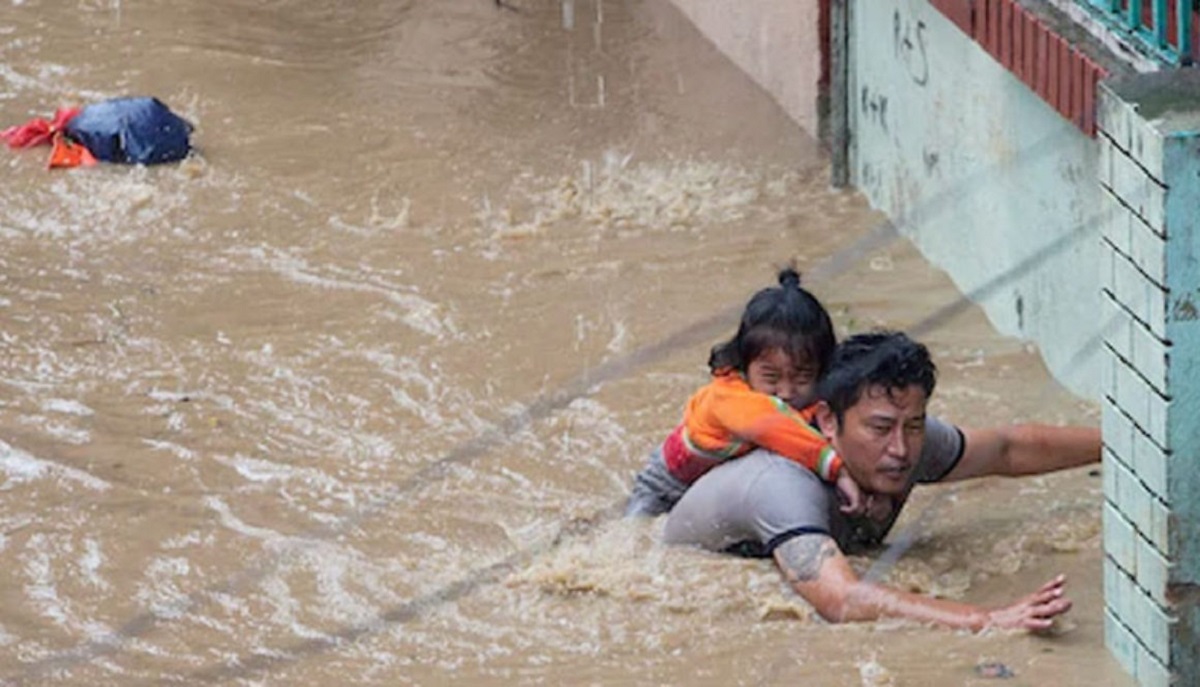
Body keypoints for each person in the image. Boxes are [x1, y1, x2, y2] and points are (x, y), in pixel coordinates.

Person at [663, 330, 1101, 631]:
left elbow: (1008, 449)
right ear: (828, 422)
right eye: (880, 428)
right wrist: (987, 619)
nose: (901, 449)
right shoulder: (782, 485)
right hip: (676, 569)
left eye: (914, 425)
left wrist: (1126, 445)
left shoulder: (906, 440)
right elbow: (842, 601)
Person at [624, 268, 866, 518]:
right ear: (743, 364)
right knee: (632, 536)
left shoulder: (817, 403)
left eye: (802, 377)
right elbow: (772, 425)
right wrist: (839, 470)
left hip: (721, 488)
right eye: (771, 377)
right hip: (666, 490)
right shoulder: (727, 398)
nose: (785, 391)